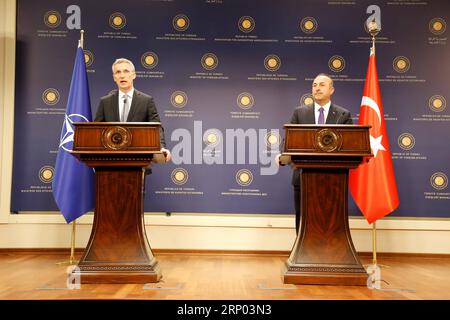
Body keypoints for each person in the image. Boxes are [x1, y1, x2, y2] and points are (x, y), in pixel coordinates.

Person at [277, 73, 353, 234]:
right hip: (303, 176)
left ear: (332, 90)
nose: (317, 88)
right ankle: (300, 254)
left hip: (334, 180)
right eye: (314, 85)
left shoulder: (343, 115)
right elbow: (288, 142)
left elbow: (349, 146)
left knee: (332, 221)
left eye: (322, 85)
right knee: (303, 220)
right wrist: (288, 159)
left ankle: (332, 256)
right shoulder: (299, 113)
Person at [95, 58, 171, 162]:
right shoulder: (105, 102)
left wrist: (161, 147)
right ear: (114, 77)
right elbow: (97, 130)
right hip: (110, 160)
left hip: (138, 160)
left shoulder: (146, 100)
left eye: (126, 71)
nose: (122, 75)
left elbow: (156, 127)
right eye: (118, 72)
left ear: (134, 75)